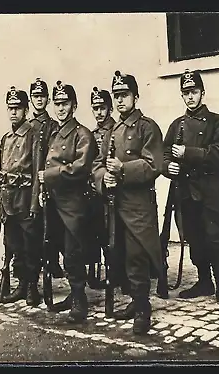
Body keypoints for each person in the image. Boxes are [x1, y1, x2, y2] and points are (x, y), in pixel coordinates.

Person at [93, 71, 164, 335]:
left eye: (124, 95)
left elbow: (154, 164)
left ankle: (143, 308)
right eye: (117, 96)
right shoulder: (114, 130)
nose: (120, 101)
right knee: (120, 255)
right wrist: (104, 180)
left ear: (136, 96)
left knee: (137, 255)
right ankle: (136, 301)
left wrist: (122, 170)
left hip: (138, 204)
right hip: (115, 204)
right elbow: (98, 164)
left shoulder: (148, 127)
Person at [162, 69, 219, 308]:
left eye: (194, 92)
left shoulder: (217, 122)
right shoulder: (177, 126)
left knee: (216, 238)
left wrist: (189, 153)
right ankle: (204, 281)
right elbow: (163, 154)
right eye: (186, 93)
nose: (190, 97)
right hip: (186, 191)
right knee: (194, 237)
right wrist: (168, 168)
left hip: (210, 190)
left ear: (202, 93)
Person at [38, 81, 97, 323]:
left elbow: (81, 168)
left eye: (65, 103)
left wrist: (50, 176)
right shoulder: (53, 133)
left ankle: (80, 300)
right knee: (62, 251)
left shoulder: (82, 134)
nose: (60, 108)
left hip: (73, 203)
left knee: (74, 252)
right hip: (54, 202)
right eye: (57, 103)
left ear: (74, 106)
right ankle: (73, 295)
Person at [0, 86, 42, 305]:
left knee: (30, 245)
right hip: (9, 199)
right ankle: (21, 285)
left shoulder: (32, 135)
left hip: (25, 198)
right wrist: (0, 201)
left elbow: (36, 171)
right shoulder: (6, 138)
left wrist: (34, 203)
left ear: (25, 110)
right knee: (13, 244)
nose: (13, 112)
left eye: (18, 108)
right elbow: (0, 172)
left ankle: (32, 286)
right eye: (10, 108)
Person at [87, 87, 129, 293]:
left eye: (103, 108)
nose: (99, 113)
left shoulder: (116, 130)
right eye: (95, 108)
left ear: (110, 108)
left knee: (117, 234)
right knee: (99, 233)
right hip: (97, 190)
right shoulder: (92, 134)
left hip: (116, 191)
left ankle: (119, 274)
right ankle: (103, 273)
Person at [29, 77, 65, 280]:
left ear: (48, 99)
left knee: (50, 222)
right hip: (28, 180)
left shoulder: (52, 126)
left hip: (45, 178)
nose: (39, 100)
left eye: (43, 96)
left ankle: (52, 261)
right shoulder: (26, 126)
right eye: (36, 96)